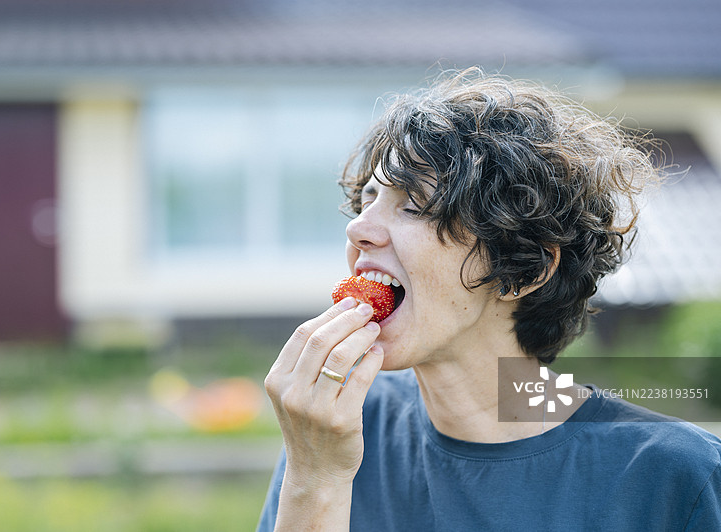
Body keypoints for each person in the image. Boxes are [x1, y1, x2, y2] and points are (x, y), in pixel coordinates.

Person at [257, 68, 721, 531]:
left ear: (525, 269)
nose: (357, 228)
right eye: (368, 199)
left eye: (414, 204)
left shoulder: (673, 478)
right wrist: (315, 480)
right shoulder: (332, 427)